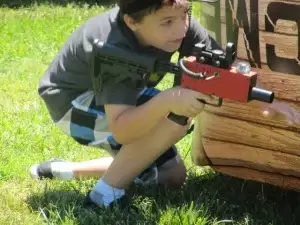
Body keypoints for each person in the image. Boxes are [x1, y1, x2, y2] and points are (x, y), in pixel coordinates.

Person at [30, 0, 300, 210]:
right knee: (175, 113)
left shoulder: (179, 23)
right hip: (74, 104)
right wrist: (169, 99)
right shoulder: (115, 50)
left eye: (185, 15)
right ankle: (103, 196)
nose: (181, 28)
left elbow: (222, 74)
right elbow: (123, 130)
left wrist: (269, 103)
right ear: (132, 22)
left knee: (171, 176)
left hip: (125, 97)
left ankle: (64, 170)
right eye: (167, 22)